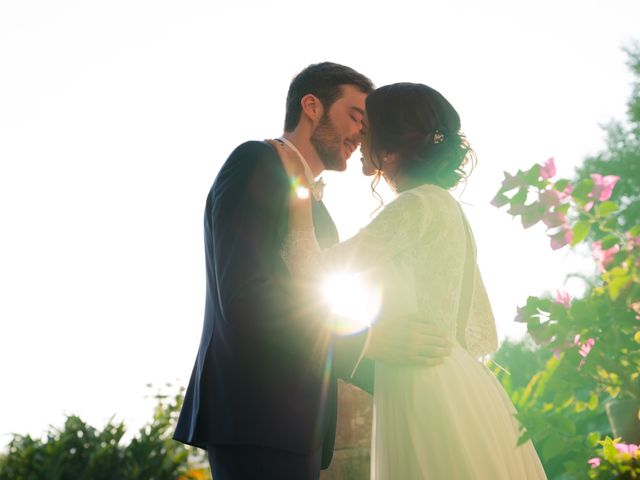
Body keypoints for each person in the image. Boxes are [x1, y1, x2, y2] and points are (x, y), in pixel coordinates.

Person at [173, 64, 452, 480]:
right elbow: (247, 296)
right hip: (254, 414)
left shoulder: (317, 211)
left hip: (300, 424)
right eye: (356, 116)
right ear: (311, 106)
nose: (362, 133)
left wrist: (417, 378)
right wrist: (373, 341)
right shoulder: (255, 161)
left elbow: (313, 314)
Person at [272, 82, 548, 479]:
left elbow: (310, 273)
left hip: (426, 386)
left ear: (388, 149)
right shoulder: (444, 206)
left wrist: (299, 194)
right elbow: (475, 330)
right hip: (460, 382)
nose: (358, 137)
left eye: (366, 129)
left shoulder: (415, 206)